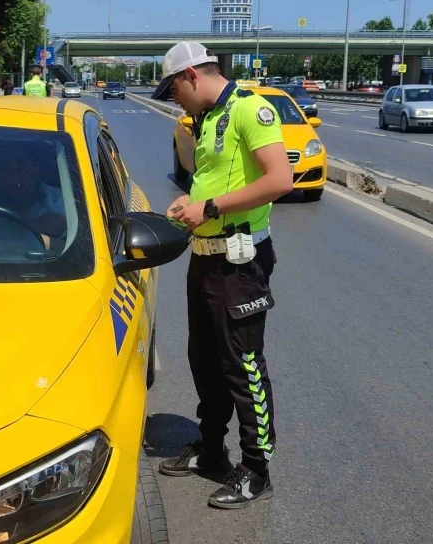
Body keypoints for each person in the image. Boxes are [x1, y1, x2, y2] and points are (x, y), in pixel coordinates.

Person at [152, 41, 293, 509]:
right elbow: (214, 182)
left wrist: (209, 207)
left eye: (173, 89)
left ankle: (256, 469)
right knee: (205, 361)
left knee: (242, 365)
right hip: (205, 256)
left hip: (241, 262)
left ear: (191, 75)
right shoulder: (207, 118)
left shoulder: (253, 109)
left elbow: (280, 180)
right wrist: (188, 208)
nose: (174, 99)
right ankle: (212, 451)